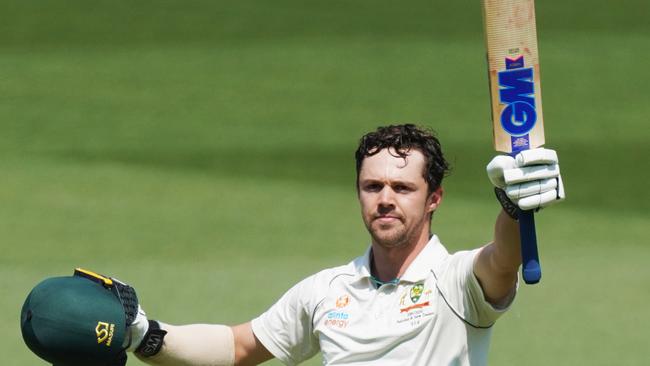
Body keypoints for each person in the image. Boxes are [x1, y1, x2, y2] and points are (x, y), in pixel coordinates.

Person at [126, 124, 565, 365]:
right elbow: (239, 347)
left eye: (402, 187)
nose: (385, 199)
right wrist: (146, 335)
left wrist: (512, 207)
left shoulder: (455, 282)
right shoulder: (326, 290)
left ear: (434, 198)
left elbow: (503, 260)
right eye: (372, 186)